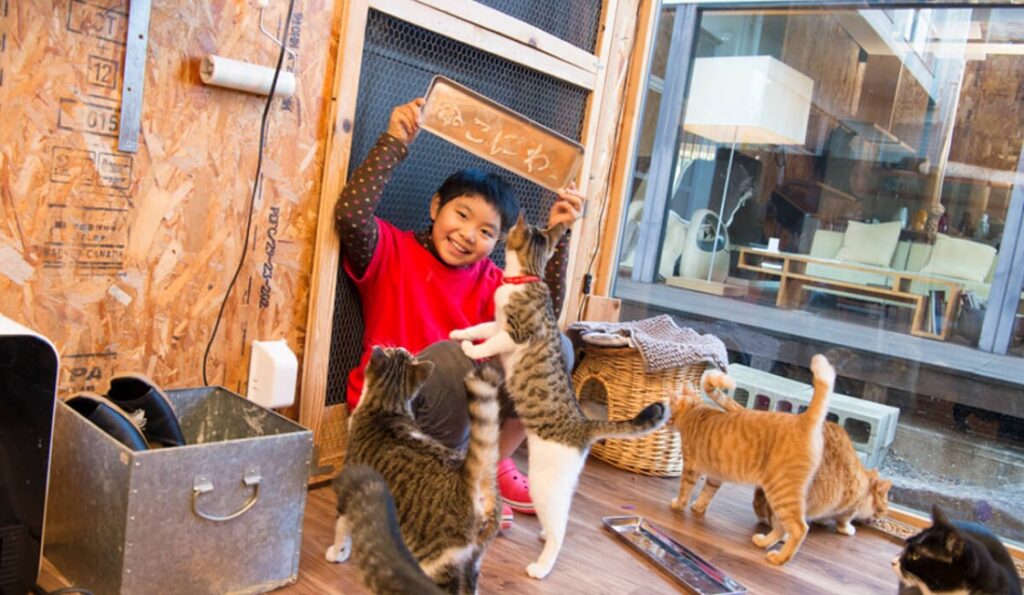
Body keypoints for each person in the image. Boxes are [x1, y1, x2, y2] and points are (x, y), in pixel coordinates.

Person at [335, 98, 584, 520]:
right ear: (436, 208)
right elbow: (351, 216)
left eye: (486, 231)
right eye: (461, 215)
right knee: (454, 357)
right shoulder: (393, 249)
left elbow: (540, 318)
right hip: (393, 416)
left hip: (460, 426)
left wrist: (558, 235)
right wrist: (395, 140)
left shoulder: (492, 281)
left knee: (553, 348)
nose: (468, 234)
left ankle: (482, 472)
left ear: (499, 241)